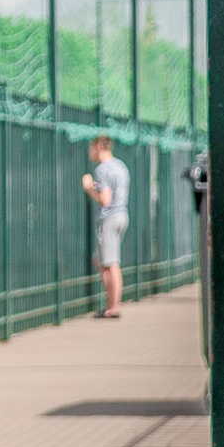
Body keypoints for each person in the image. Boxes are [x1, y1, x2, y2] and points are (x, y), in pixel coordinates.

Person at [83, 135, 131, 317]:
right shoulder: (120, 166)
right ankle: (113, 305)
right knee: (100, 258)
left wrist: (89, 188)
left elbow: (105, 199)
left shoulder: (102, 169)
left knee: (110, 263)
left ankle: (112, 308)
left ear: (99, 147)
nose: (89, 151)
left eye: (91, 147)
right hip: (122, 215)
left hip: (109, 217)